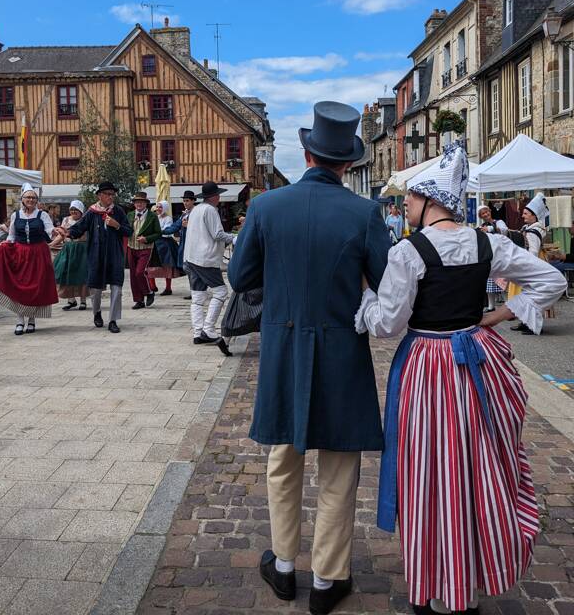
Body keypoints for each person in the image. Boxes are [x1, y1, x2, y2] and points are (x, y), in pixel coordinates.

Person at [354, 144, 566, 615]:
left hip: (428, 368)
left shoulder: (408, 252)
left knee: (428, 473)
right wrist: (495, 316)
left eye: (409, 198)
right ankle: (465, 580)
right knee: (473, 470)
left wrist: (368, 299)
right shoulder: (487, 242)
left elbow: (388, 326)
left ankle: (432, 585)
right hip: (477, 363)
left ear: (430, 201)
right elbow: (551, 282)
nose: (403, 205)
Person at [228, 101, 390, 615]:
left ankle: (281, 567)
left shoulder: (266, 208)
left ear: (306, 153)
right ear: (348, 162)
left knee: (283, 460)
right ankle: (326, 578)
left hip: (283, 345)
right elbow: (387, 286)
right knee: (340, 467)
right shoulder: (366, 214)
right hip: (342, 347)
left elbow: (238, 279)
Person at [0, 184, 59, 335]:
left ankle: (31, 319)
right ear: (22, 199)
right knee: (19, 287)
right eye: (28, 197)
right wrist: (6, 244)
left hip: (38, 254)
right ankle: (20, 320)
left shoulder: (42, 215)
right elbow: (12, 236)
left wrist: (55, 231)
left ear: (37, 200)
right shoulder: (15, 215)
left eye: (33, 198)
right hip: (20, 254)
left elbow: (49, 230)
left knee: (34, 287)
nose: (31, 200)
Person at [63, 181, 132, 334]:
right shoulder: (92, 212)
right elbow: (79, 227)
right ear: (99, 195)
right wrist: (67, 232)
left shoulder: (118, 212)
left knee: (117, 288)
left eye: (112, 194)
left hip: (115, 255)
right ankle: (97, 312)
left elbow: (129, 231)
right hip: (96, 254)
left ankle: (113, 320)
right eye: (107, 194)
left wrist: (117, 225)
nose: (110, 197)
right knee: (95, 288)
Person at [183, 181, 234, 350]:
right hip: (206, 258)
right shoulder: (211, 210)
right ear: (213, 196)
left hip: (191, 257)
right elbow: (217, 234)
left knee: (198, 296)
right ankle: (209, 330)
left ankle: (198, 332)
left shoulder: (196, 209)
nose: (219, 197)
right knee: (221, 292)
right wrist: (235, 238)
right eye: (218, 194)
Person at [510, 192, 550, 335]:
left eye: (526, 213)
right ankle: (525, 322)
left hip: (534, 265)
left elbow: (533, 252)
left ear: (534, 216)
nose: (523, 216)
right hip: (535, 263)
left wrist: (526, 266)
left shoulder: (533, 231)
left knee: (533, 296)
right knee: (526, 294)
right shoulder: (531, 228)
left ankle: (532, 325)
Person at [51, 200, 89, 311]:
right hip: (68, 249)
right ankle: (71, 300)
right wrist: (52, 244)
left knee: (82, 274)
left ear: (81, 211)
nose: (73, 211)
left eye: (76, 210)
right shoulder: (66, 220)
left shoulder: (85, 220)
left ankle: (83, 301)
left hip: (82, 249)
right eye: (71, 209)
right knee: (66, 273)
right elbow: (61, 235)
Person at [126, 192, 161, 310]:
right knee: (132, 275)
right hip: (131, 247)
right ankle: (138, 300)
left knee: (139, 272)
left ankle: (149, 292)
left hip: (145, 248)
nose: (139, 204)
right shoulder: (130, 215)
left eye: (141, 202)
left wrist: (146, 238)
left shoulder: (152, 216)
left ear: (146, 203)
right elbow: (126, 228)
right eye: (136, 202)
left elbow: (158, 233)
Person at [164, 190, 197, 300]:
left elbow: (201, 228)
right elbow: (175, 226)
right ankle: (195, 290)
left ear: (193, 201)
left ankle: (197, 291)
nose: (185, 203)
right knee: (188, 268)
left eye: (187, 201)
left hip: (195, 245)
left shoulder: (197, 213)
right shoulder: (184, 214)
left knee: (193, 268)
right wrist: (161, 231)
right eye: (184, 201)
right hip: (185, 245)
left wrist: (189, 225)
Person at [477, 204, 508, 311]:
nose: (485, 214)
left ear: (490, 211)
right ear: (480, 216)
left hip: (501, 255)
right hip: (490, 256)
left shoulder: (499, 222)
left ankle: (509, 307)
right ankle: (491, 306)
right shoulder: (481, 227)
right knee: (489, 282)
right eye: (483, 214)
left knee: (503, 282)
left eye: (486, 212)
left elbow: (505, 231)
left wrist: (490, 228)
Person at [147, 200, 179, 296]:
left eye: (160, 207)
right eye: (157, 207)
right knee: (150, 265)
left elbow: (166, 231)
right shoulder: (154, 217)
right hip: (154, 243)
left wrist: (156, 231)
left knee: (167, 266)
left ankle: (168, 288)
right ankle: (152, 286)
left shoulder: (168, 218)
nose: (158, 209)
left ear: (165, 208)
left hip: (165, 244)